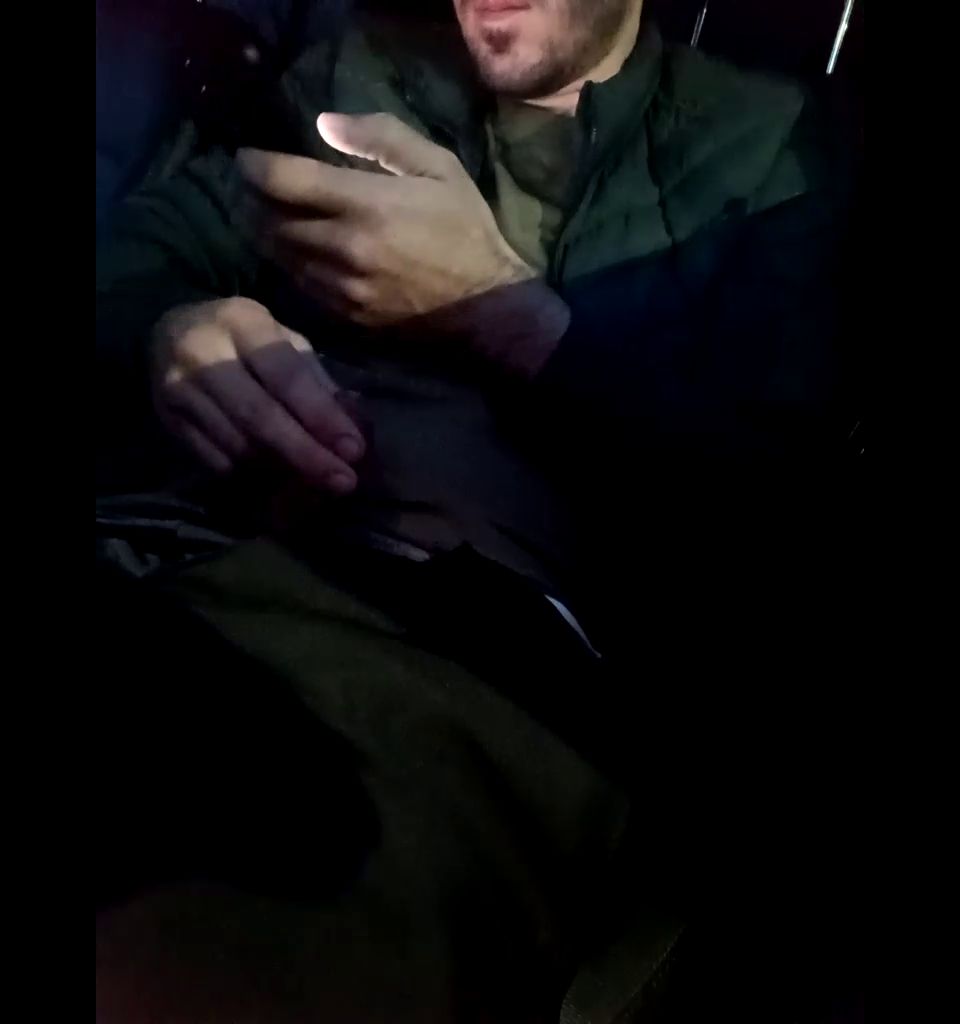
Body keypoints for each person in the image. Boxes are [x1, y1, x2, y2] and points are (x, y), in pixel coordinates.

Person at [95, 1, 857, 1021]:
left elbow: (776, 510)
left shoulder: (773, 148)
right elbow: (149, 248)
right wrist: (170, 329)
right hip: (176, 550)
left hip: (473, 662)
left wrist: (511, 318)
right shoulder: (362, 83)